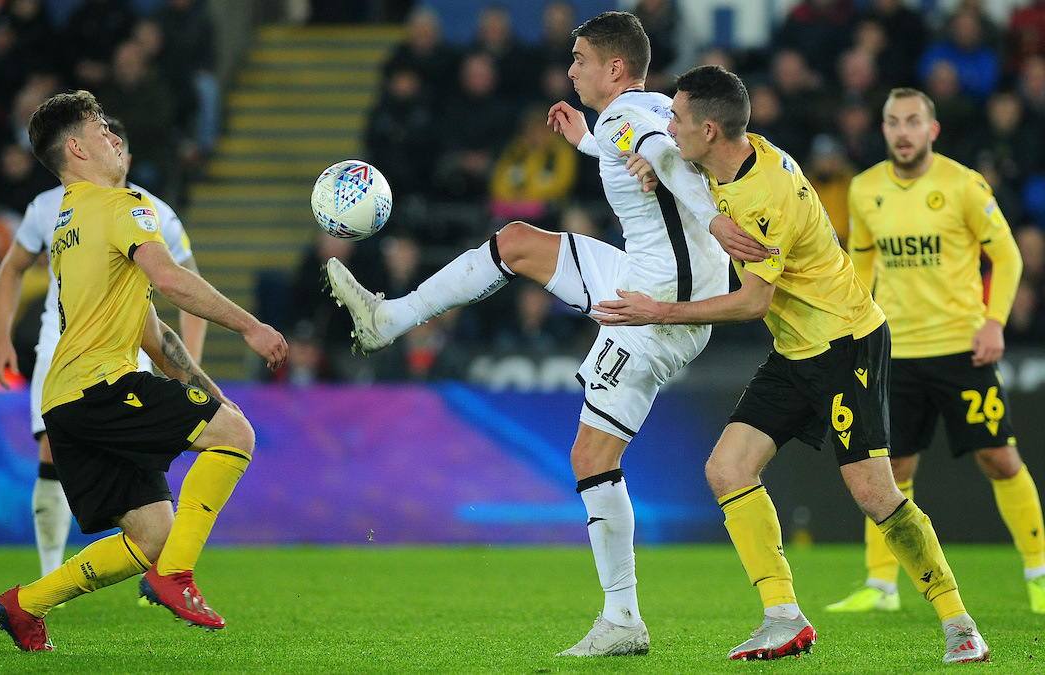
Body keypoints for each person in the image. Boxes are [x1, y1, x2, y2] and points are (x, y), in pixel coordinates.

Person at [326, 12, 766, 658]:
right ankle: (390, 317)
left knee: (591, 458)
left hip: (656, 305)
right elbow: (652, 151)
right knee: (517, 243)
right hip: (650, 275)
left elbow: (660, 158)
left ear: (615, 68)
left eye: (581, 58)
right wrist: (588, 143)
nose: (570, 69)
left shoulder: (632, 120)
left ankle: (622, 618)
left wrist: (713, 220)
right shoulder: (640, 108)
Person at [603, 65, 989, 663]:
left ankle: (959, 623)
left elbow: (752, 301)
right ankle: (784, 618)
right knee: (728, 469)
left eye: (677, 119)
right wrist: (648, 158)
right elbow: (684, 168)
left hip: (843, 342)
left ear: (709, 128)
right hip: (794, 348)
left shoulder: (765, 196)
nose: (669, 128)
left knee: (873, 493)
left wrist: (658, 310)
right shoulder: (735, 154)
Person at [0, 90, 287, 651]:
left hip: (66, 401)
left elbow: (159, 335)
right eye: (101, 128)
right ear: (75, 147)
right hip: (103, 387)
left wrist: (214, 397)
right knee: (237, 439)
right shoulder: (123, 207)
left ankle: (24, 605)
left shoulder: (70, 222)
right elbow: (170, 278)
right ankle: (176, 577)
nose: (114, 135)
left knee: (152, 535)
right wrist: (250, 326)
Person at [828, 88, 1044, 614]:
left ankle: (1039, 574)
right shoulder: (865, 189)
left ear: (932, 129)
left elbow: (1008, 257)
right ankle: (881, 587)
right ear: (883, 130)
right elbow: (861, 269)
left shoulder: (964, 185)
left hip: (961, 350)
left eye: (913, 122)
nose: (903, 132)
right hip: (894, 354)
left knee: (999, 458)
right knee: (889, 470)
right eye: (893, 122)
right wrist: (854, 332)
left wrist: (994, 324)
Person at [0, 117, 208, 583]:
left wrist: (187, 361)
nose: (116, 152)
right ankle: (51, 569)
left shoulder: (154, 212)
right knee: (51, 450)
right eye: (106, 140)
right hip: (61, 346)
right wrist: (1, 337)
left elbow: (188, 284)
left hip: (131, 349)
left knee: (146, 462)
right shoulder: (48, 207)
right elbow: (11, 269)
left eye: (120, 145)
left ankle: (162, 562)